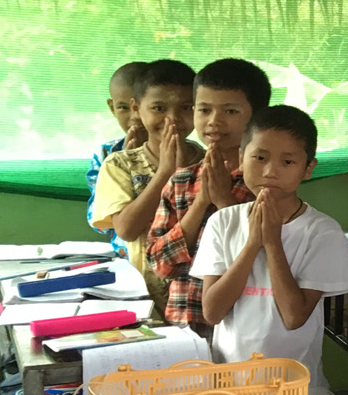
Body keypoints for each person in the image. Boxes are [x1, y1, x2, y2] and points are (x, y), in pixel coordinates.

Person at [194, 106, 348, 395]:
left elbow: (294, 316)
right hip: (230, 392)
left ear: (308, 169)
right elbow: (212, 311)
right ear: (241, 158)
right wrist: (252, 243)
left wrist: (272, 243)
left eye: (287, 162)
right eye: (260, 157)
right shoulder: (222, 222)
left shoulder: (322, 231)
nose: (270, 171)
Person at [148, 58, 271, 327]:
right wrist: (202, 201)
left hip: (242, 326)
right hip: (184, 325)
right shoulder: (181, 180)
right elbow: (159, 264)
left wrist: (224, 200)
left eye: (230, 111)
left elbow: (264, 260)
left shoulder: (267, 183)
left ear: (257, 116)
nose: (214, 121)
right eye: (204, 110)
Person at [93, 58, 197, 314]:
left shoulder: (209, 162)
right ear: (137, 108)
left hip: (196, 297)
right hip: (144, 300)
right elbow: (126, 229)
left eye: (186, 108)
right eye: (159, 108)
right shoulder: (119, 164)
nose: (172, 119)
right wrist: (165, 173)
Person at [87, 61, 148, 250]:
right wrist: (127, 163)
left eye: (141, 107)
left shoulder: (184, 153)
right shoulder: (107, 154)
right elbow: (99, 222)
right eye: (123, 107)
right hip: (124, 256)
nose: (135, 117)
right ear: (112, 107)